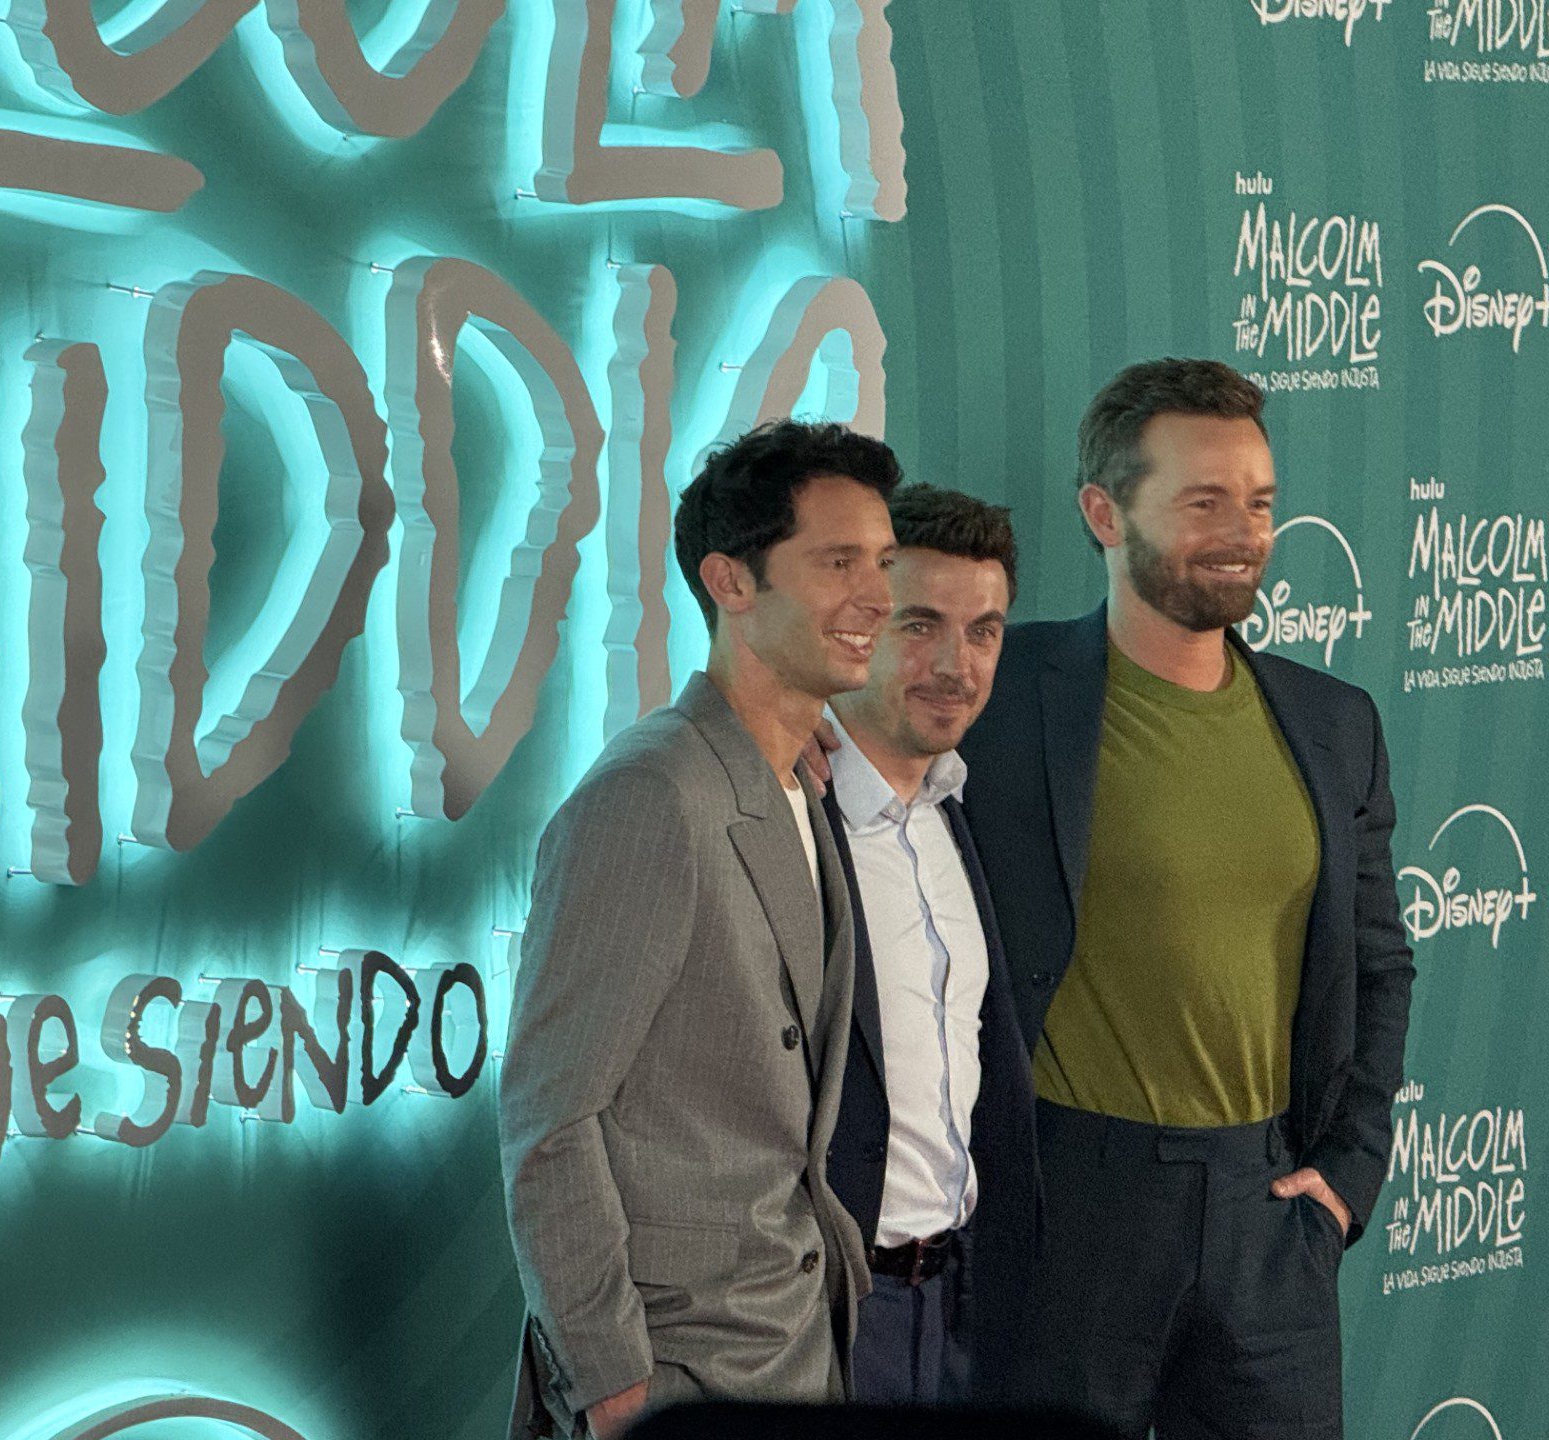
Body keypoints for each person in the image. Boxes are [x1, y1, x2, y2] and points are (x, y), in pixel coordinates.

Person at [959, 358, 1414, 1438]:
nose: (1242, 533)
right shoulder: (1000, 694)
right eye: (1204, 502)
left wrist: (1347, 1177)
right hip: (1069, 1210)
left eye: (1258, 502)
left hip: (1271, 1215)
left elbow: (1380, 964)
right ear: (1103, 513)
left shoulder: (1333, 722)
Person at [499, 420, 899, 1438]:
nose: (876, 598)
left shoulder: (798, 780)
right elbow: (551, 1123)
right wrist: (614, 1387)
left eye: (882, 562)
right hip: (681, 1375)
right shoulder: (649, 797)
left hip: (796, 1349)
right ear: (730, 581)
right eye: (838, 563)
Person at [818, 487, 1037, 1406]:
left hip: (953, 1312)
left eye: (983, 631)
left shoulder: (959, 812)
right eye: (921, 625)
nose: (957, 665)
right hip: (824, 1316)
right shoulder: (787, 810)